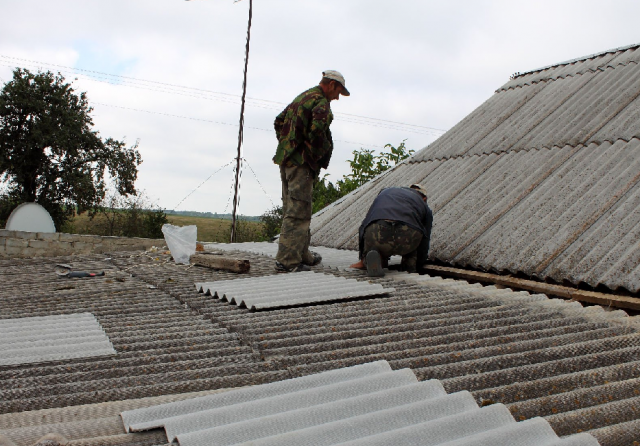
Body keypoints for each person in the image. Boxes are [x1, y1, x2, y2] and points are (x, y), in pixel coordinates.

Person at [273, 70, 350, 272]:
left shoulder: (302, 97)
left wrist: (289, 146)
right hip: (301, 165)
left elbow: (279, 121)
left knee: (296, 208)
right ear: (332, 85)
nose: (337, 98)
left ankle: (301, 254)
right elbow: (317, 132)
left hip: (287, 161)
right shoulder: (321, 103)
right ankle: (288, 262)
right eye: (338, 92)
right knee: (298, 213)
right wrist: (313, 155)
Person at [354, 184, 433, 277]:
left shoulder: (385, 193)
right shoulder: (423, 205)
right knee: (414, 242)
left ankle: (375, 260)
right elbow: (425, 239)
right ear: (424, 198)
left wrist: (362, 257)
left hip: (378, 234)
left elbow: (364, 226)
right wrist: (420, 262)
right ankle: (408, 269)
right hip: (406, 238)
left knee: (375, 240)